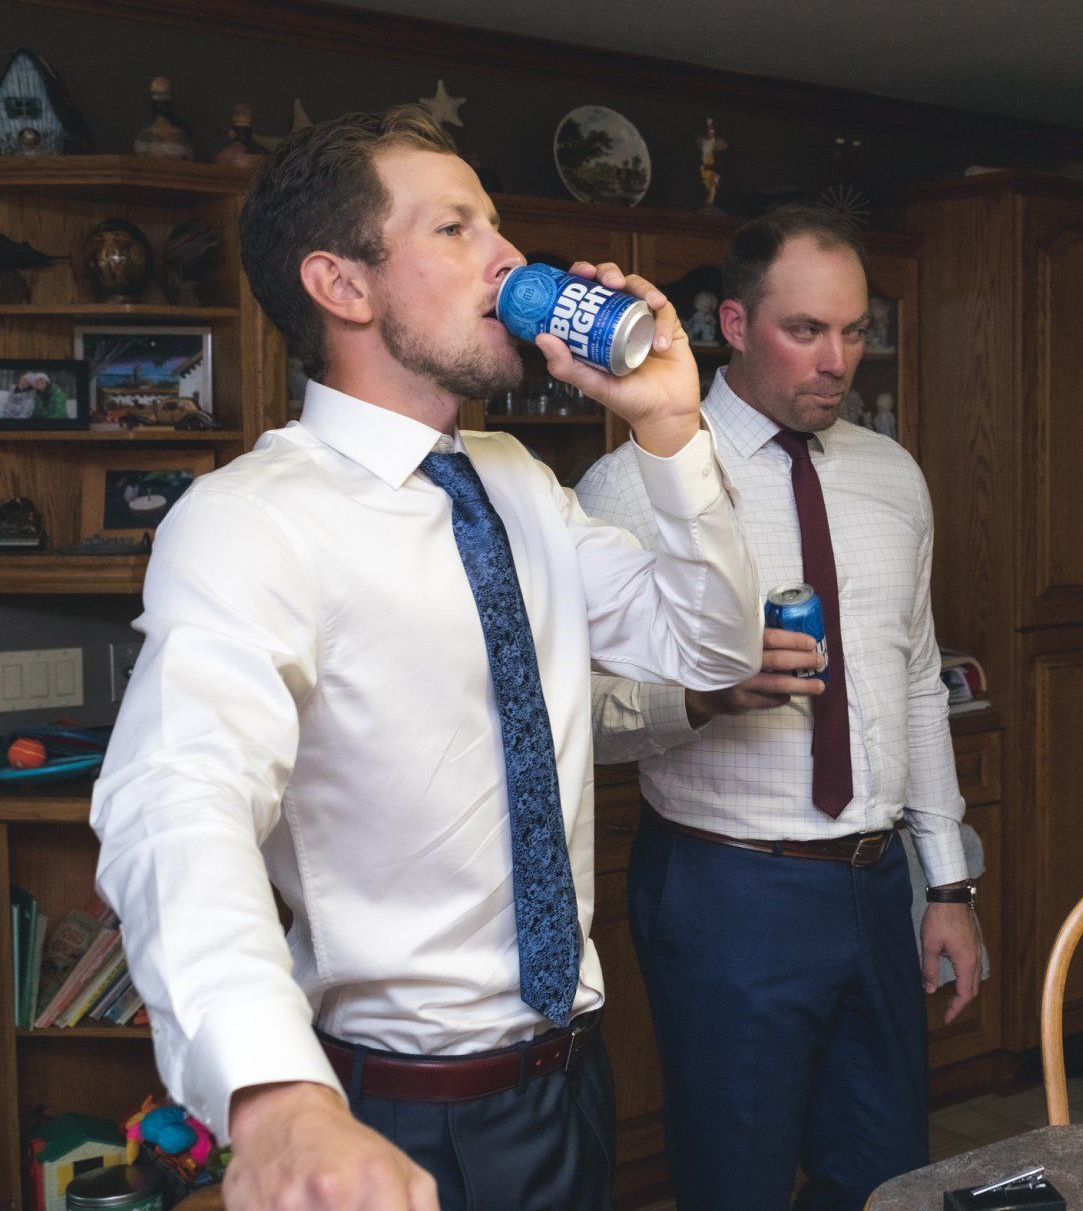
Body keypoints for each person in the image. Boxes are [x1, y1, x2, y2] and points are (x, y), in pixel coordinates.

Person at [91, 105, 762, 1211]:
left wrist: (673, 431)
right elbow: (177, 798)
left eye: (498, 226)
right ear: (343, 287)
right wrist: (272, 1095)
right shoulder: (248, 521)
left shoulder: (516, 481)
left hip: (571, 1078)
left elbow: (711, 641)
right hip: (394, 1107)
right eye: (457, 229)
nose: (510, 257)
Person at [576, 205, 983, 1210]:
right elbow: (575, 712)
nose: (839, 359)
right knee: (737, 1182)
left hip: (875, 881)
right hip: (726, 891)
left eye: (856, 330)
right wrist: (703, 693)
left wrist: (949, 883)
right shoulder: (628, 486)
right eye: (807, 330)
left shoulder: (894, 475)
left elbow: (918, 680)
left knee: (887, 1178)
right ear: (735, 324)